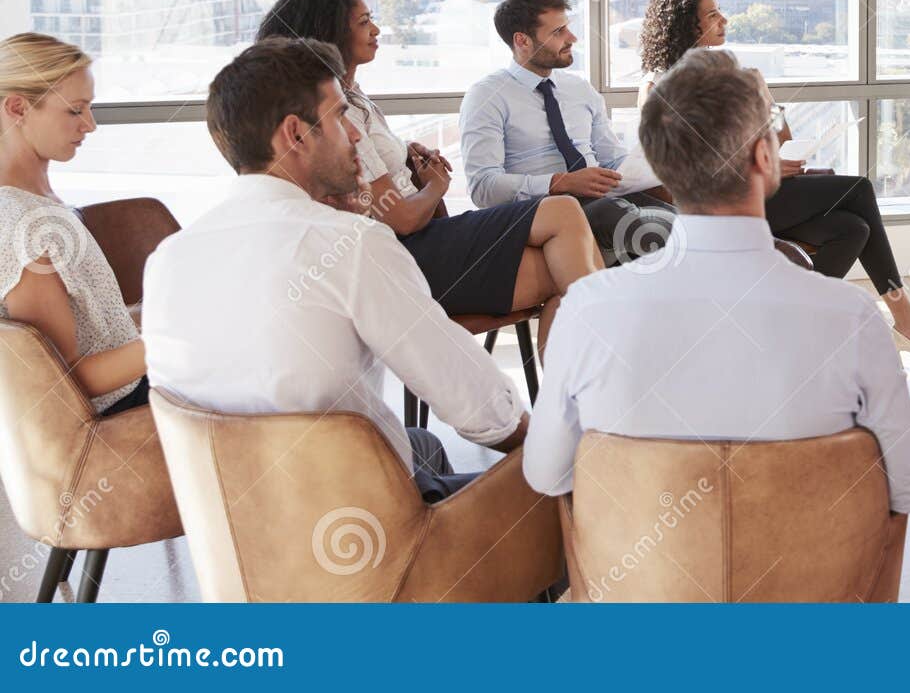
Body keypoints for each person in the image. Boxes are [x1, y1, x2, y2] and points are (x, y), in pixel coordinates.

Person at [522, 48, 910, 516]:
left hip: (647, 583)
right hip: (809, 582)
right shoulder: (852, 318)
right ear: (765, 156)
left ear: (658, 162)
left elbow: (547, 474)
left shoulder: (586, 310)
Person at [143, 38, 528, 502]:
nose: (357, 134)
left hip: (238, 531)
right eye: (341, 116)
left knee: (421, 444)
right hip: (364, 530)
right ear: (295, 134)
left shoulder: (167, 258)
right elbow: (485, 414)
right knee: (565, 490)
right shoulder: (351, 244)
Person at [257, 0, 601, 350]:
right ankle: (594, 393)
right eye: (364, 22)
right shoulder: (342, 115)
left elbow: (375, 174)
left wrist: (405, 151)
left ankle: (576, 400)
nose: (376, 30)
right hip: (408, 253)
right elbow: (400, 218)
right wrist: (434, 185)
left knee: (570, 276)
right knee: (566, 223)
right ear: (331, 32)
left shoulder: (354, 100)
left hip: (424, 242)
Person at [637, 0, 910, 361]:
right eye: (712, 15)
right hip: (719, 206)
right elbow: (680, 170)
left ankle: (792, 327)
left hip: (760, 191)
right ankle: (905, 317)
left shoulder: (728, 76)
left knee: (851, 228)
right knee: (859, 189)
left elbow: (780, 142)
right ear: (685, 25)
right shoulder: (658, 87)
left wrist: (765, 101)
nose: (724, 20)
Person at [461, 0, 673, 264]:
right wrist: (561, 182)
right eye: (557, 32)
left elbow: (612, 158)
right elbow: (483, 187)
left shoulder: (579, 89)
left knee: (693, 224)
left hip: (602, 199)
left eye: (567, 28)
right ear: (522, 40)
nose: (572, 38)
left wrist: (654, 167)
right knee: (643, 227)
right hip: (542, 210)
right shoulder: (487, 96)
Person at [0, 34, 147, 415]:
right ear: (18, 108)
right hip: (122, 416)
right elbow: (64, 381)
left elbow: (98, 329)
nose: (91, 125)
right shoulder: (23, 223)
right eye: (75, 110)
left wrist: (163, 312)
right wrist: (178, 340)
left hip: (136, 392)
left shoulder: (40, 204)